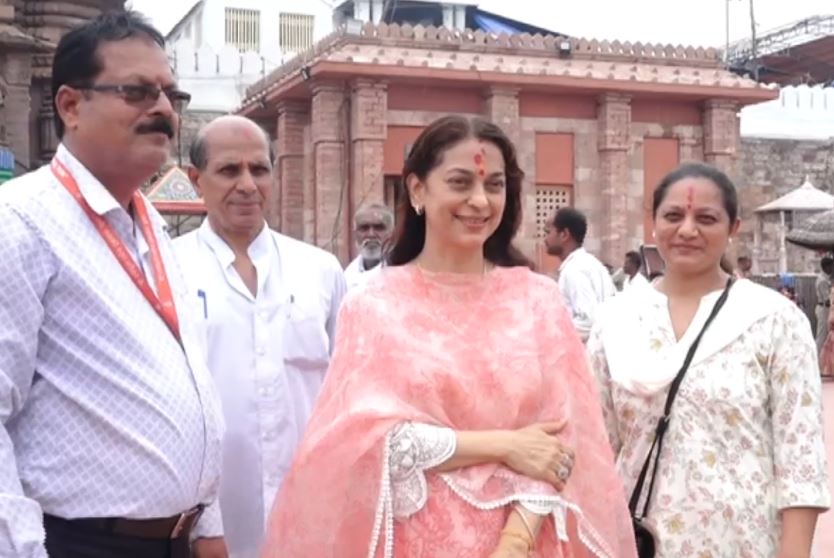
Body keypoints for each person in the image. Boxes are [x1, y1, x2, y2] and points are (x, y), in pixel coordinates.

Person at [260, 115, 636, 558]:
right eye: (460, 182)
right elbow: (357, 444)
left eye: (494, 185)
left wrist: (514, 545)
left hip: (527, 539)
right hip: (412, 541)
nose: (479, 201)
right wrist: (504, 445)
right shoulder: (373, 305)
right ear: (417, 189)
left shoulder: (538, 301)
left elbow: (561, 440)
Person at [0, 11, 224, 558]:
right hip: (78, 544)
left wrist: (208, 521)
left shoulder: (151, 227)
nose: (164, 111)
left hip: (176, 540)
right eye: (137, 92)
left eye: (171, 94)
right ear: (72, 106)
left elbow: (190, 381)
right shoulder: (21, 223)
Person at [588, 162, 830, 557]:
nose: (687, 230)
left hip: (744, 543)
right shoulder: (615, 319)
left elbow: (800, 459)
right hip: (634, 542)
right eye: (673, 216)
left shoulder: (774, 320)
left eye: (706, 218)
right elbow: (597, 449)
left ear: (733, 227)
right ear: (653, 223)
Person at [174, 115, 346, 558]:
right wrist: (202, 526)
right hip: (210, 527)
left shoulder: (319, 270)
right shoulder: (168, 271)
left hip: (311, 516)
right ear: (197, 180)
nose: (248, 185)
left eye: (259, 169)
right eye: (230, 170)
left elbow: (345, 391)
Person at [544, 207, 615, 341]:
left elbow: (588, 323)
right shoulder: (590, 264)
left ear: (564, 234)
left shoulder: (574, 270)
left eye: (548, 232)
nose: (545, 239)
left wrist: (550, 331)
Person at [344, 202, 394, 290]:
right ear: (355, 234)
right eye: (364, 228)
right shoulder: (347, 276)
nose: (371, 234)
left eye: (379, 228)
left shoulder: (403, 271)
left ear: (392, 233)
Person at [815, 256, 833, 353]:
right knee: (821, 336)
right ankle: (816, 357)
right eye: (831, 266)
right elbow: (827, 300)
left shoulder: (826, 279)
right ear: (826, 267)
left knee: (827, 336)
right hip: (824, 309)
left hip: (826, 309)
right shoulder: (822, 280)